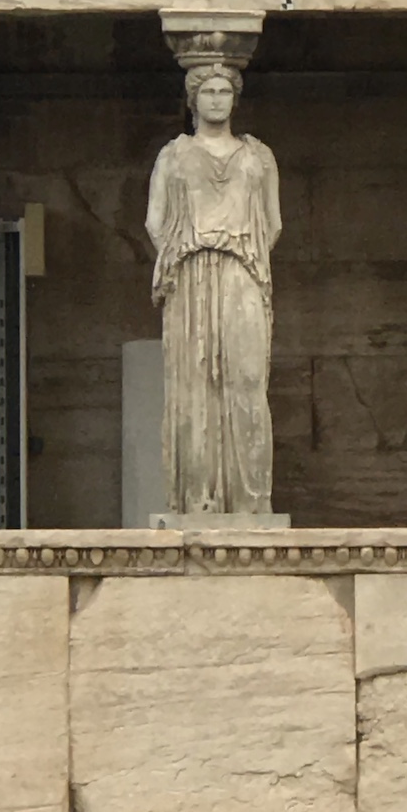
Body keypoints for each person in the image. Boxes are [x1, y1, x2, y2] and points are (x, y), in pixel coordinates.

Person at [146, 63, 281, 514]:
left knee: (246, 378)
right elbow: (154, 220)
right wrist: (190, 250)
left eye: (224, 91)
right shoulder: (173, 155)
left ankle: (249, 500)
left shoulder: (258, 157)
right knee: (193, 382)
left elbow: (274, 222)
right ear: (193, 100)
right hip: (189, 273)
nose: (217, 99)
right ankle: (195, 499)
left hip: (242, 269)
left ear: (235, 98)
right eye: (208, 92)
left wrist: (236, 250)